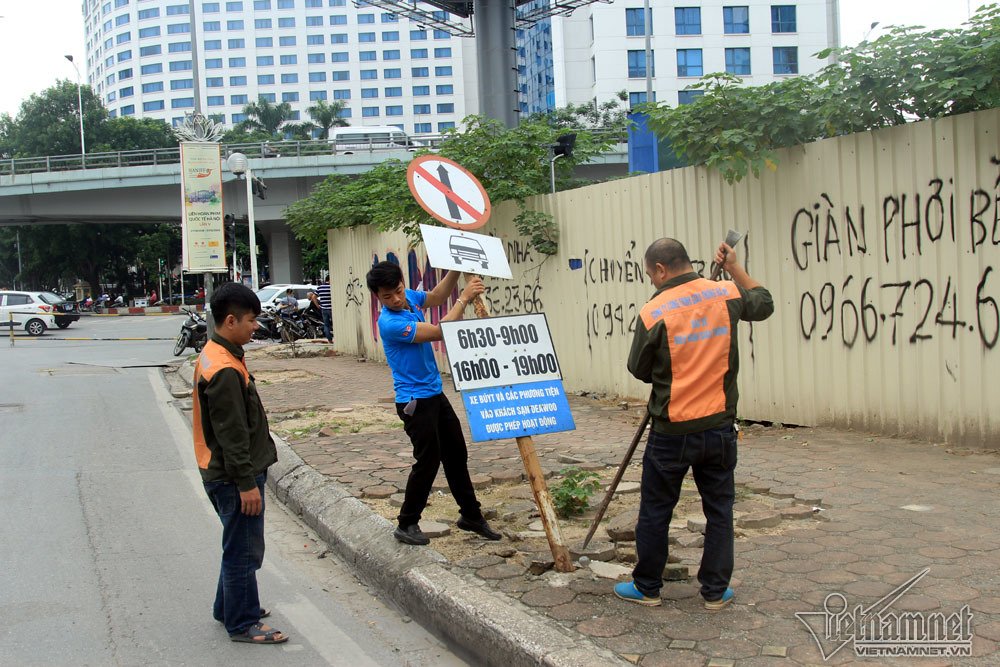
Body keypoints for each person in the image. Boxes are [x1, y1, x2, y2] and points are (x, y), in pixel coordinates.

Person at [613, 239, 773, 611]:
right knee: (719, 509)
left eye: (651, 274)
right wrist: (734, 267)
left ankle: (648, 588)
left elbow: (638, 369)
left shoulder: (655, 311)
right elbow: (764, 303)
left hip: (672, 431)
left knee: (656, 510)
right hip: (718, 427)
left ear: (661, 269)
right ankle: (715, 592)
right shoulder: (725, 293)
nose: (652, 281)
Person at [365, 261, 501, 546]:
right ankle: (407, 523)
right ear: (378, 297)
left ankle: (471, 516)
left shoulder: (410, 300)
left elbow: (438, 297)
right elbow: (442, 331)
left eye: (398, 291)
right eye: (387, 296)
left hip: (434, 394)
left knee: (456, 454)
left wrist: (455, 266)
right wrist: (464, 298)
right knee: (427, 461)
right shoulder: (391, 323)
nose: (396, 299)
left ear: (403, 284)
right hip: (414, 402)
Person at [192, 282, 288, 644]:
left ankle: (228, 607)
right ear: (230, 320)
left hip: (220, 471)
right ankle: (243, 623)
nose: (255, 327)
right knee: (244, 550)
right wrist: (246, 483)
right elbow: (232, 435)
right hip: (232, 477)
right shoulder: (225, 369)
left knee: (237, 544)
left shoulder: (218, 353)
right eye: (251, 321)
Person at [311, 278, 332, 343]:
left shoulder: (320, 287)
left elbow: (313, 297)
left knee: (326, 324)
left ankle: (330, 340)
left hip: (324, 309)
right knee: (336, 324)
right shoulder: (331, 287)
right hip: (331, 309)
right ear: (330, 279)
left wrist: (318, 306)